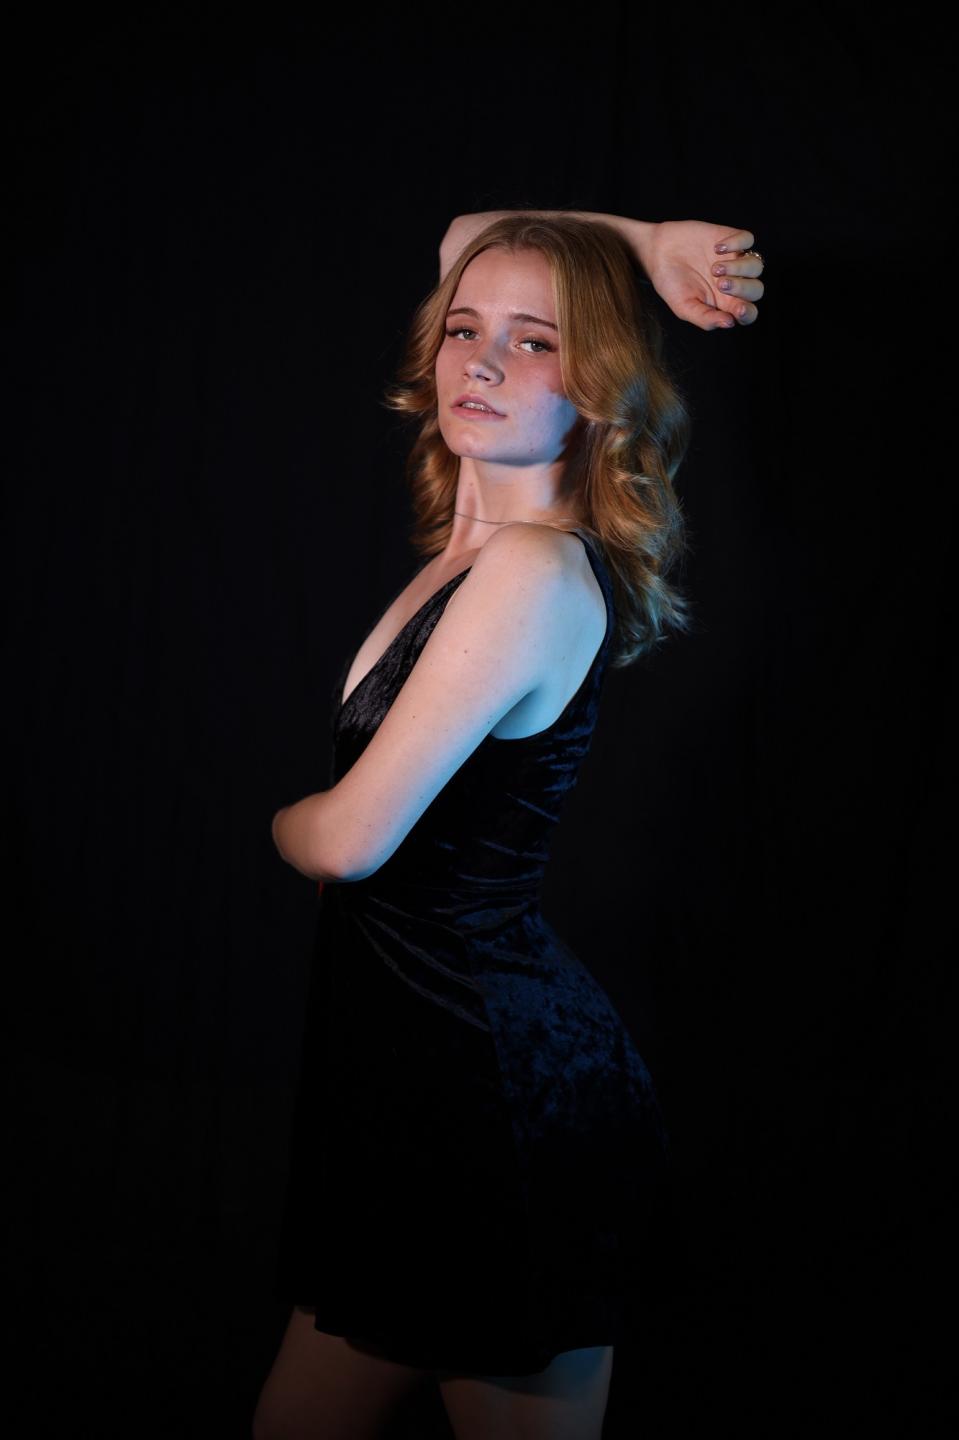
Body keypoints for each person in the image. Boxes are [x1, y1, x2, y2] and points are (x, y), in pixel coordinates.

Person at [254, 209, 765, 1440]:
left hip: (499, 1101)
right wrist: (641, 241)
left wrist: (281, 822)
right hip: (400, 1089)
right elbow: (462, 233)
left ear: (596, 390)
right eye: (464, 331)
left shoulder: (533, 572)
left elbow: (346, 842)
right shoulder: (467, 557)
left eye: (535, 341)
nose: (479, 361)